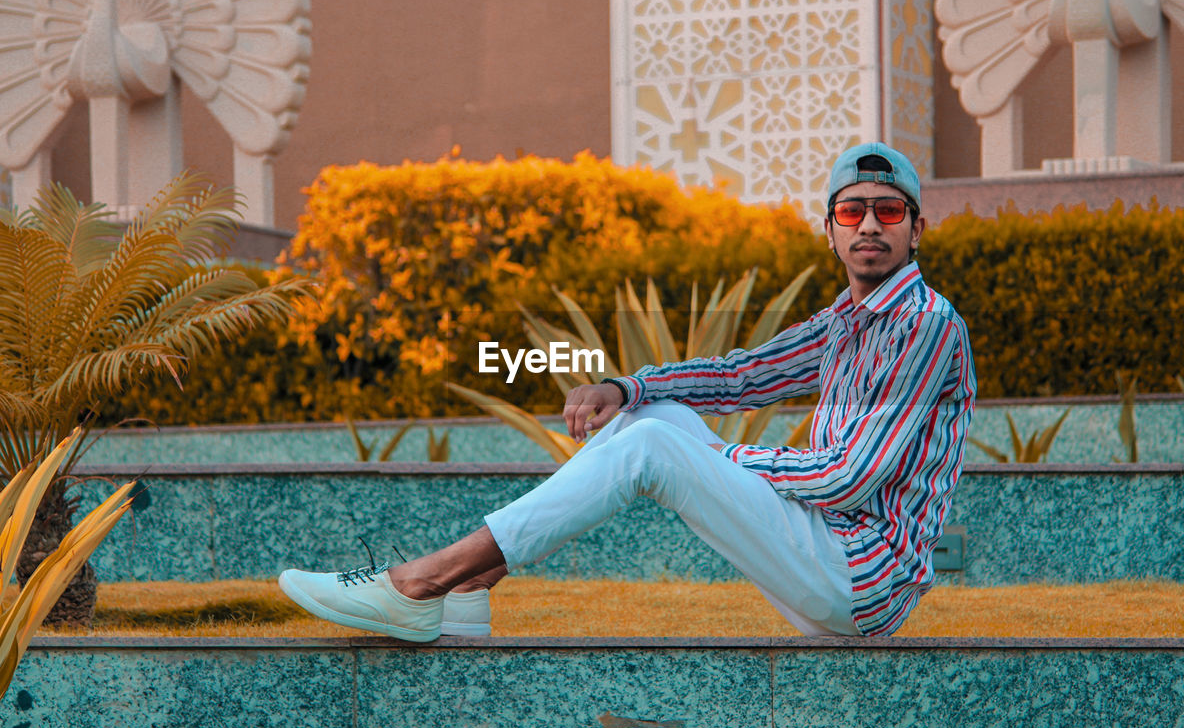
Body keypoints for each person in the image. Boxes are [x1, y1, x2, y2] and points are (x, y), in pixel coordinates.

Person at [279, 141, 975, 640]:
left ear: (917, 229)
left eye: (889, 210)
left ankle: (418, 583)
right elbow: (738, 376)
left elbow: (850, 475)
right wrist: (626, 385)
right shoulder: (847, 323)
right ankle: (466, 594)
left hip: (862, 579)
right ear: (830, 231)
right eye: (852, 212)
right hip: (828, 553)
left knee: (653, 445)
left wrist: (715, 462)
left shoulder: (925, 325)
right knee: (653, 413)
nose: (871, 225)